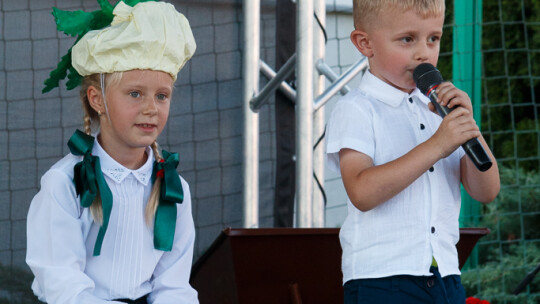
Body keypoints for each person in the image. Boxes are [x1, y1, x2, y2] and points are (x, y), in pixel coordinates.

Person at [325, 0, 500, 303]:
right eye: (407, 39)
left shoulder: (439, 112)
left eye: (433, 38)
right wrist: (437, 145)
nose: (423, 53)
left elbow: (486, 190)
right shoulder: (356, 109)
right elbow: (362, 192)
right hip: (382, 279)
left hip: (445, 275)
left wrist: (468, 127)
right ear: (365, 43)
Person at [26, 1, 198, 303]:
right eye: (135, 93)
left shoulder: (174, 189)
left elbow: (173, 287)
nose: (150, 108)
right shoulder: (65, 184)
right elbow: (65, 288)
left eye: (162, 96)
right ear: (97, 99)